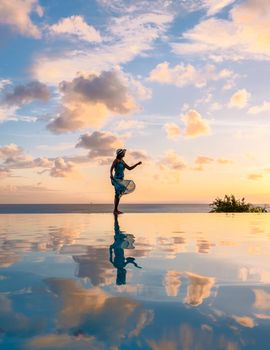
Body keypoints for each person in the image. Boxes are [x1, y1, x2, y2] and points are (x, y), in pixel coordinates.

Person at [110, 148, 142, 214]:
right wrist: (111, 175)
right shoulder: (116, 160)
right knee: (118, 194)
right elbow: (111, 168)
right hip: (116, 179)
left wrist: (137, 164)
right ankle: (115, 210)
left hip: (121, 179)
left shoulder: (122, 161)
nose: (124, 154)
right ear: (120, 154)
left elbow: (129, 168)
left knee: (118, 194)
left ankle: (115, 210)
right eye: (123, 153)